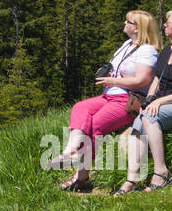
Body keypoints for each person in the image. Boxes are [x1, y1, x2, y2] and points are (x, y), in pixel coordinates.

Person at [48, 11, 160, 192]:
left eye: (128, 21)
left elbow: (142, 81)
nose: (124, 22)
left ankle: (81, 176)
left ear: (138, 28)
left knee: (96, 124)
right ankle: (71, 150)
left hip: (127, 99)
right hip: (109, 96)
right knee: (80, 108)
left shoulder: (147, 50)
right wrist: (109, 73)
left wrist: (113, 81)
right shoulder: (127, 44)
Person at [114, 9, 172, 195]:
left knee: (149, 117)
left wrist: (159, 103)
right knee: (138, 124)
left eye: (169, 22)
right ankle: (132, 179)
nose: (164, 25)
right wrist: (148, 100)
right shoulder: (168, 50)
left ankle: (161, 172)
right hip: (166, 102)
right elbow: (156, 81)